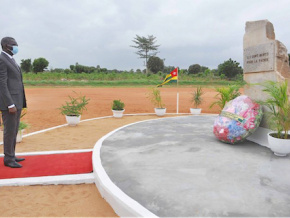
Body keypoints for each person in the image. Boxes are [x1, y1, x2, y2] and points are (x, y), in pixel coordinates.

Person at [0, 37, 27, 168]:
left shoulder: (10, 59)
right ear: (5, 46)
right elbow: (2, 84)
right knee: (9, 131)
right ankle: (8, 159)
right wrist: (10, 104)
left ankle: (12, 154)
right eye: (13, 44)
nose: (16, 47)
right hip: (9, 103)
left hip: (17, 101)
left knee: (14, 130)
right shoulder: (2, 59)